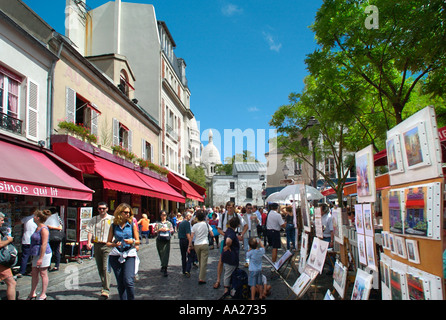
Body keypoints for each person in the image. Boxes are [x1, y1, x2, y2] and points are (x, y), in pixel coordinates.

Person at [106, 203, 140, 300]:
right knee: (120, 283)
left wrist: (132, 241)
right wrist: (114, 244)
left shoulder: (132, 225)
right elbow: (108, 243)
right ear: (119, 213)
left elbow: (138, 241)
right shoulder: (114, 226)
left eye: (129, 213)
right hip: (116, 255)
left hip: (129, 254)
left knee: (128, 281)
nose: (128, 214)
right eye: (125, 212)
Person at [213, 201, 247, 289]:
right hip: (225, 240)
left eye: (231, 207)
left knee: (235, 259)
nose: (229, 209)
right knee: (221, 260)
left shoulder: (238, 216)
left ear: (234, 207)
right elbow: (219, 229)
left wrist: (241, 235)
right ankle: (218, 280)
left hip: (234, 240)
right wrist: (227, 235)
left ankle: (233, 280)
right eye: (227, 207)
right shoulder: (223, 216)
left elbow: (246, 226)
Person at [86, 201, 114, 299]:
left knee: (106, 267)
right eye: (99, 209)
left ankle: (106, 290)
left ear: (107, 209)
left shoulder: (112, 219)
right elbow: (89, 230)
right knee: (100, 267)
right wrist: (89, 242)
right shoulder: (94, 219)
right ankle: (104, 284)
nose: (101, 210)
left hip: (107, 245)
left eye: (103, 208)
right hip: (97, 245)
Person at [28, 209, 52, 300]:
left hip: (44, 254)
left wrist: (41, 258)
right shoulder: (37, 227)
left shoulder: (44, 229)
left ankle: (43, 294)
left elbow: (44, 244)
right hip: (35, 253)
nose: (33, 217)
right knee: (34, 273)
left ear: (38, 218)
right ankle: (32, 293)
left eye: (34, 216)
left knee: (43, 273)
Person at [189, 209, 213, 284]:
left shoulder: (194, 226)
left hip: (197, 245)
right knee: (203, 262)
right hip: (205, 243)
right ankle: (201, 278)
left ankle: (201, 275)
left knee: (200, 261)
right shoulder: (206, 224)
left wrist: (190, 245)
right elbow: (212, 234)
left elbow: (191, 236)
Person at [221, 216, 241, 295]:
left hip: (230, 256)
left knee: (229, 272)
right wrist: (228, 245)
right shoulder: (231, 233)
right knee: (228, 273)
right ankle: (226, 290)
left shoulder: (229, 231)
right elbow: (228, 240)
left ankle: (230, 288)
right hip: (231, 256)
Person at [0, 212, 17, 300]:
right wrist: (8, 240)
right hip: (1, 263)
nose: (3, 222)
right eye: (1, 220)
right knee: (11, 283)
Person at [17, 208, 37, 278]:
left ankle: (22, 271)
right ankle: (33, 271)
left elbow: (18, 223)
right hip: (34, 241)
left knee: (25, 256)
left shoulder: (26, 218)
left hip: (26, 239)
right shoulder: (37, 221)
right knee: (34, 256)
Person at [155, 210, 174, 277]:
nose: (164, 216)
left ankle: (165, 267)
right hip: (160, 240)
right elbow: (155, 231)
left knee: (166, 253)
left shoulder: (169, 223)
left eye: (165, 215)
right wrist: (160, 230)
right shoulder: (158, 224)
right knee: (161, 253)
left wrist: (167, 229)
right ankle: (163, 265)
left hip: (166, 240)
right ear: (160, 216)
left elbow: (172, 230)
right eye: (162, 215)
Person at [46, 208, 63, 272]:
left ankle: (56, 265)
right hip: (51, 236)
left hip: (55, 236)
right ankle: (49, 265)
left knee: (55, 250)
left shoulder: (56, 218)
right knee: (51, 250)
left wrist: (51, 227)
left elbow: (60, 227)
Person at [320, 203, 334, 275]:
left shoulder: (329, 218)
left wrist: (332, 241)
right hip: (322, 237)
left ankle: (331, 269)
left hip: (327, 237)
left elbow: (332, 230)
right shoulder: (321, 217)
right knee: (322, 254)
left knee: (330, 256)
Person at [178, 212, 193, 277]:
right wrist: (190, 243)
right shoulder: (187, 223)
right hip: (186, 240)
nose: (191, 217)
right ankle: (187, 269)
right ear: (186, 216)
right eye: (190, 216)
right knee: (190, 255)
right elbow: (188, 234)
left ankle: (184, 270)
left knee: (183, 256)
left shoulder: (181, 223)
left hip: (181, 240)